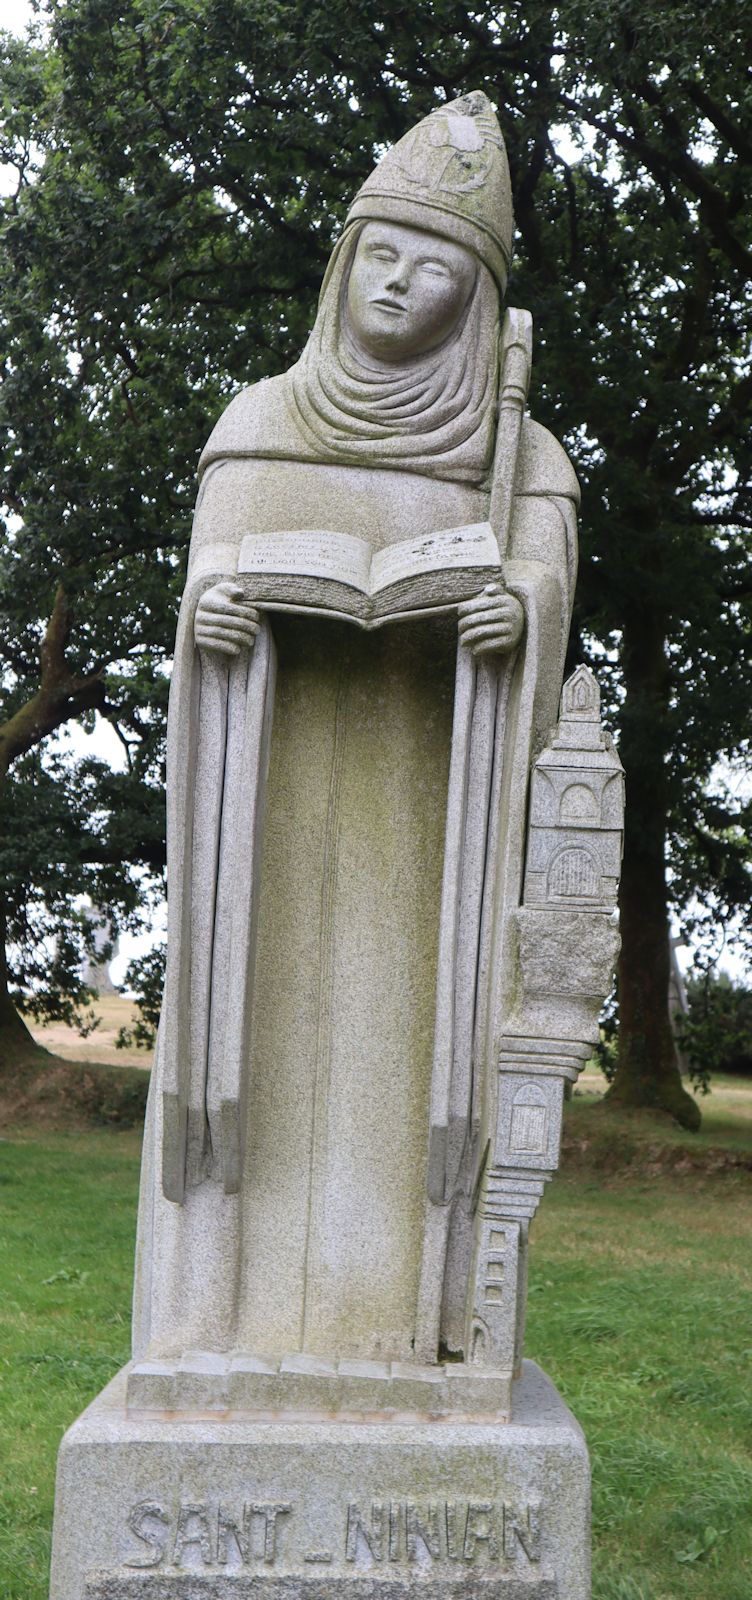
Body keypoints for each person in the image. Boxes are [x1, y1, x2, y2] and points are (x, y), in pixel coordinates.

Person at [133, 92, 579, 1367]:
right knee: (244, 1113)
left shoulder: (523, 459)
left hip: (422, 862)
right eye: (376, 253)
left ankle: (411, 1331)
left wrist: (515, 613)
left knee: (411, 1124)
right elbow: (202, 604)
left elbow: (542, 607)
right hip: (265, 844)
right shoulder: (257, 426)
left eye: (430, 261)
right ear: (340, 266)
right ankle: (220, 1324)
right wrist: (214, 622)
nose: (396, 281)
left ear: (474, 295)